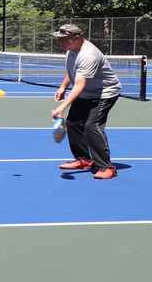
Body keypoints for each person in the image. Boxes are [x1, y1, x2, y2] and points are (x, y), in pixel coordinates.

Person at [50, 23, 121, 179]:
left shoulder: (89, 54)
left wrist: (61, 107)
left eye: (64, 39)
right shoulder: (72, 50)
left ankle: (106, 166)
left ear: (77, 38)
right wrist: (62, 87)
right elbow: (73, 72)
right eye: (59, 39)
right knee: (73, 123)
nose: (60, 43)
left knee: (92, 126)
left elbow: (80, 85)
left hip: (104, 93)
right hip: (88, 92)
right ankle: (84, 159)